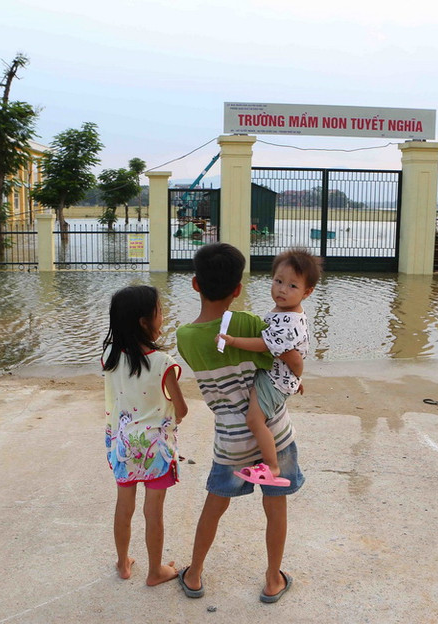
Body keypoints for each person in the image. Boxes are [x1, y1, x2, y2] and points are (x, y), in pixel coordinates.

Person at [175, 243, 304, 604]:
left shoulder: (185, 337)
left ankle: (196, 573)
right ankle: (272, 579)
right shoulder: (249, 323)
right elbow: (286, 358)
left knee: (214, 505)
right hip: (274, 430)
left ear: (195, 284)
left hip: (231, 438)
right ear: (238, 289)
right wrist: (298, 373)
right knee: (275, 505)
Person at [103, 285, 188, 586]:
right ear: (144, 322)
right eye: (159, 312)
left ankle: (123, 563)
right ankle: (155, 571)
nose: (162, 317)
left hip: (124, 444)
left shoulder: (109, 356)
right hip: (156, 450)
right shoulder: (164, 363)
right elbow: (182, 409)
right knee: (154, 512)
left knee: (123, 505)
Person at [217, 248, 320, 485]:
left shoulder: (290, 320)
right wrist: (296, 378)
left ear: (308, 292)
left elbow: (265, 345)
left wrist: (233, 341)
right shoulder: (284, 311)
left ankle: (272, 467)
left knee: (254, 420)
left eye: (293, 286)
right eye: (278, 281)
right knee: (256, 416)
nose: (282, 289)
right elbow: (288, 355)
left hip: (275, 380)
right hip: (278, 376)